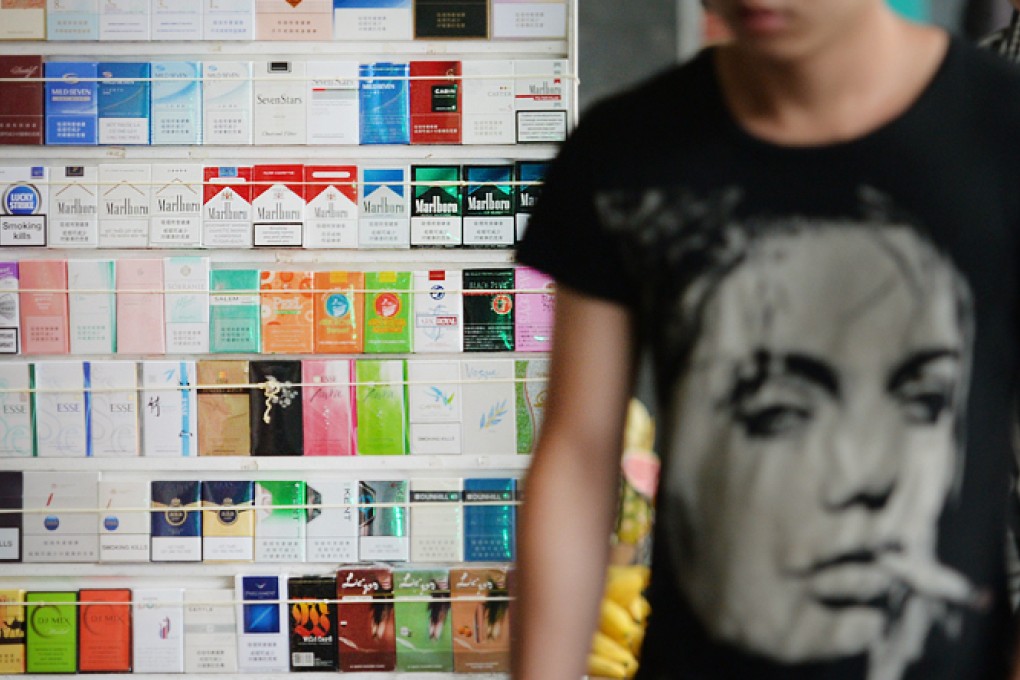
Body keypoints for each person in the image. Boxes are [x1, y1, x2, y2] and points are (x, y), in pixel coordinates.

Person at [512, 1, 1020, 678]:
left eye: (919, 396)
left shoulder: (1000, 133)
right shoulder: (625, 155)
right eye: (782, 408)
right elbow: (577, 455)